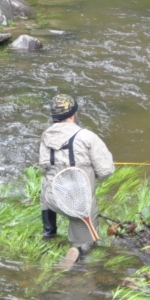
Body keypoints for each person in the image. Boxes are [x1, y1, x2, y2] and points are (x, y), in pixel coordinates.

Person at [38, 94, 115, 267]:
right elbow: (106, 171)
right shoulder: (87, 136)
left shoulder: (45, 137)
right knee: (87, 239)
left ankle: (49, 232)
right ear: (73, 114)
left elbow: (43, 167)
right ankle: (78, 250)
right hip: (78, 204)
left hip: (53, 199)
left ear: (54, 116)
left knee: (45, 182)